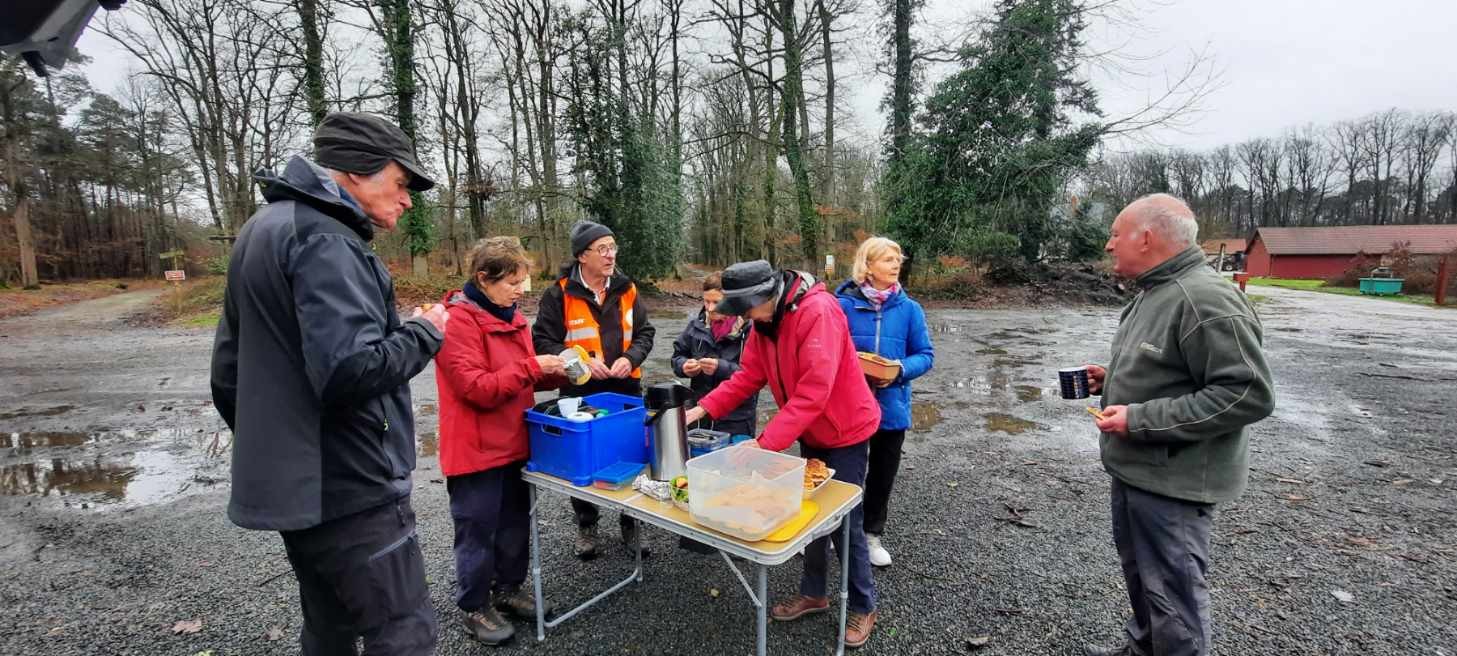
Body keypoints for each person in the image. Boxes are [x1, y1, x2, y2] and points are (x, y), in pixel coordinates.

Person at [210, 112, 447, 655]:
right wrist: (424, 333)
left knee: (331, 629)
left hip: (300, 489)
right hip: (353, 488)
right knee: (404, 633)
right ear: (359, 173)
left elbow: (228, 374)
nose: (407, 198)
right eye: (401, 181)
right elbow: (349, 371)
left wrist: (280, 444)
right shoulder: (327, 238)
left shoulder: (265, 227)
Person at [1082, 193, 1276, 656]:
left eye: (1115, 234)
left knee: (1174, 599)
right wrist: (1113, 382)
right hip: (1139, 470)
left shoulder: (1205, 298)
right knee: (1145, 583)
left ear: (1145, 238)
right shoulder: (1157, 291)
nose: (1109, 246)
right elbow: (1174, 371)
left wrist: (1140, 417)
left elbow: (1247, 393)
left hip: (1175, 483)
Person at [684, 260, 882, 650]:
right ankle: (814, 593)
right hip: (810, 428)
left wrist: (762, 445)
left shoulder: (818, 312)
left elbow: (813, 392)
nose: (741, 318)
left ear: (765, 296)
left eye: (744, 309)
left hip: (845, 430)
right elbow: (747, 376)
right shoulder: (764, 322)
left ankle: (863, 604)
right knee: (807, 512)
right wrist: (701, 409)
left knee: (844, 520)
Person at [434, 237, 566, 645]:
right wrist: (531, 367)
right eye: (512, 282)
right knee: (477, 531)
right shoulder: (457, 322)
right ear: (483, 279)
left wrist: (564, 369)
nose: (520, 292)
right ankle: (474, 606)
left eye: (522, 282)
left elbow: (526, 374)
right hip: (475, 450)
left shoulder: (511, 317)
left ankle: (508, 589)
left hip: (513, 442)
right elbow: (476, 387)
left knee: (513, 525)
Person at [532, 220, 656, 560]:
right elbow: (543, 341)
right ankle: (587, 524)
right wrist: (580, 364)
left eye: (613, 247)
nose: (610, 255)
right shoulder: (558, 292)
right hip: (579, 393)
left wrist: (630, 358)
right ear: (581, 256)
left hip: (625, 388)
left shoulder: (627, 288)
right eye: (602, 249)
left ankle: (633, 524)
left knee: (631, 454)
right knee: (584, 458)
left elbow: (646, 333)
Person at [834, 237, 934, 568]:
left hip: (892, 408)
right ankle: (838, 532)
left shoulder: (910, 309)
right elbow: (829, 350)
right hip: (849, 406)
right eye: (888, 259)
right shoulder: (842, 305)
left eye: (897, 259)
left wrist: (899, 370)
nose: (896, 265)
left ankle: (870, 534)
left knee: (881, 474)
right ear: (868, 265)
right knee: (845, 474)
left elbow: (925, 355)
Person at [671, 272, 758, 436]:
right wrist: (683, 366)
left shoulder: (750, 330)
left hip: (737, 418)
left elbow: (754, 376)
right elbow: (677, 357)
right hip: (699, 414)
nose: (710, 308)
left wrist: (721, 368)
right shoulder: (695, 326)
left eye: (716, 302)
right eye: (706, 301)